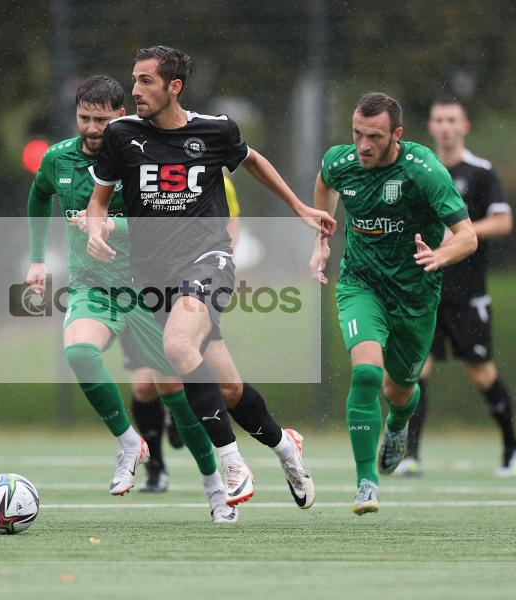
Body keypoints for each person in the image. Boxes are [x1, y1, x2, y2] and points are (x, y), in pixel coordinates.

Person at [87, 45, 334, 508]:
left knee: (178, 347)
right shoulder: (121, 135)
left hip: (209, 260)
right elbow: (99, 200)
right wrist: (96, 231)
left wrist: (299, 206)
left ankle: (232, 462)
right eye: (134, 80)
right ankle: (286, 447)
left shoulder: (215, 131)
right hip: (153, 278)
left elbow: (253, 160)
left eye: (146, 81)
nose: (134, 91)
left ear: (173, 87)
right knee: (229, 389)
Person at [24, 75, 236, 523]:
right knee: (80, 353)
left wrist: (105, 226)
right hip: (92, 287)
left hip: (149, 288)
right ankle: (128, 442)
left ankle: (215, 487)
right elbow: (39, 195)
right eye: (85, 118)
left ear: (121, 116)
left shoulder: (142, 157)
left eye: (103, 119)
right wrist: (38, 259)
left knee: (175, 394)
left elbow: (162, 222)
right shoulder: (58, 159)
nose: (93, 128)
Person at [310, 92, 478, 514]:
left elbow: (468, 236)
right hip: (359, 285)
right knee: (367, 374)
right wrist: (322, 238)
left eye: (374, 137)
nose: (363, 145)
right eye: (357, 134)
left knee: (400, 391)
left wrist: (440, 255)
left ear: (396, 135)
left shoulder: (423, 171)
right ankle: (366, 481)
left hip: (415, 295)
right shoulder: (340, 161)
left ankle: (398, 425)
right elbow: (324, 181)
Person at [394, 97, 516, 478]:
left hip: (468, 297)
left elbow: (502, 223)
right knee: (419, 371)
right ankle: (411, 455)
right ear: (430, 127)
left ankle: (512, 447)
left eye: (452, 120)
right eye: (438, 120)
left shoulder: (480, 172)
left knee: (481, 373)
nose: (445, 126)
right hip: (425, 292)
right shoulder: (419, 171)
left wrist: (459, 235)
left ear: (464, 125)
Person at [128, 174, 241, 493]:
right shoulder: (137, 166)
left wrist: (222, 271)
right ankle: (156, 467)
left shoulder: (217, 179)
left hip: (192, 288)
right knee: (143, 388)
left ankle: (206, 464)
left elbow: (231, 225)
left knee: (179, 377)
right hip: (143, 288)